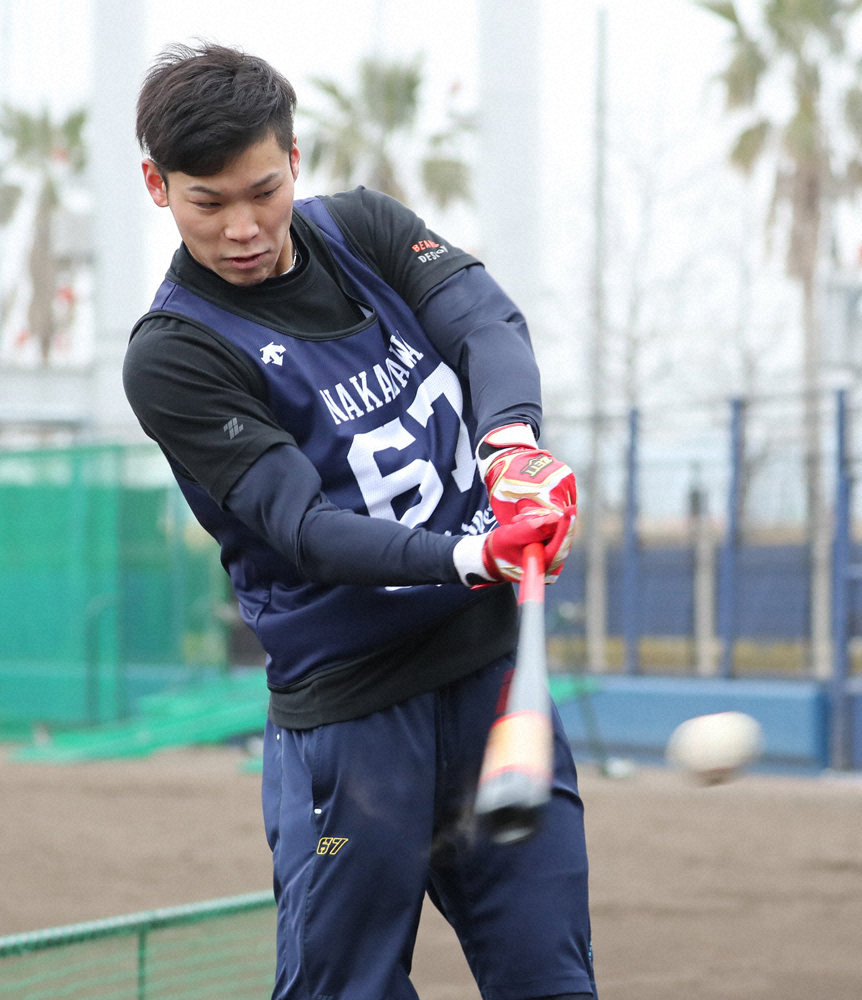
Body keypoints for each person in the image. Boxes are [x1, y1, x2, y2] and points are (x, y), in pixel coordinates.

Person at [124, 42, 597, 1000]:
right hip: (352, 726)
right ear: (157, 186)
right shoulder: (174, 352)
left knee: (551, 980)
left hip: (494, 683)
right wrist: (474, 552)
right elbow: (302, 527)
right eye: (207, 203)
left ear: (293, 160)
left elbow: (485, 324)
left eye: (262, 190)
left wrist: (513, 447)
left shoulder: (367, 230)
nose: (244, 227)